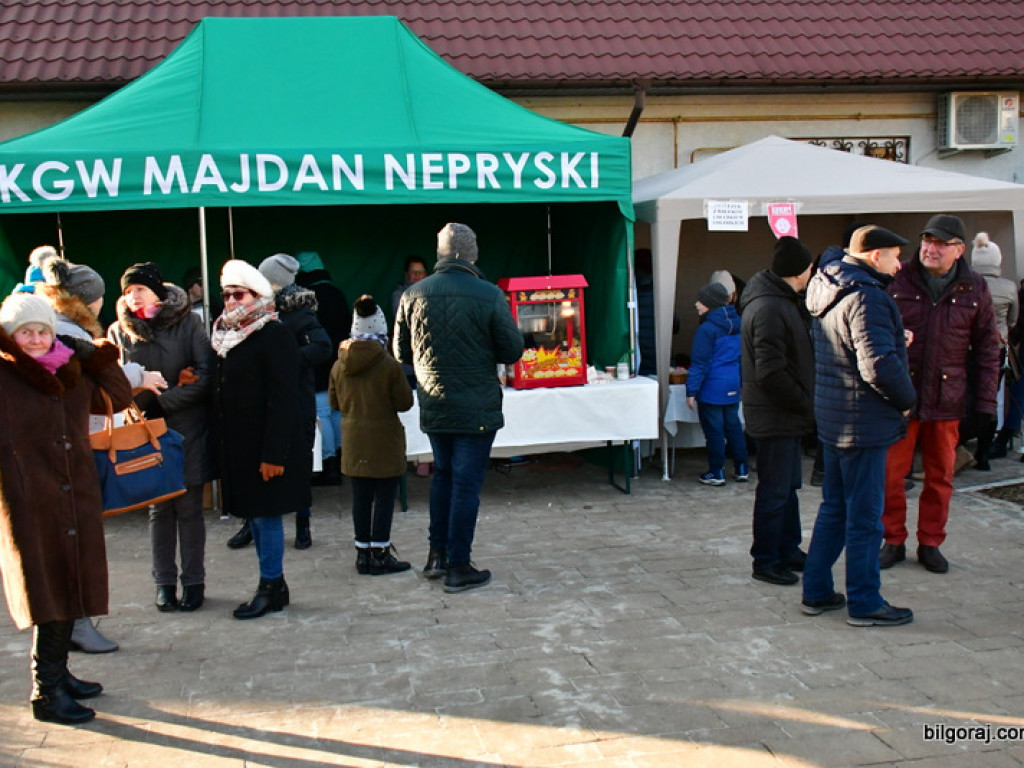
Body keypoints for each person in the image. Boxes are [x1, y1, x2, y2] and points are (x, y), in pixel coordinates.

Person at [0, 293, 132, 723]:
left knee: (72, 583)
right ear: (10, 336)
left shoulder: (69, 369)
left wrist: (90, 354)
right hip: (29, 502)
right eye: (25, 332)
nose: (36, 340)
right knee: (47, 590)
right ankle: (46, 691)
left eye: (43, 331)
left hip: (75, 493)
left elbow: (119, 396)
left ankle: (59, 673)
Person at [37, 256, 164, 653]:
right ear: (90, 299)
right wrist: (139, 375)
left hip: (59, 449)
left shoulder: (54, 328)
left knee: (66, 542)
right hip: (69, 450)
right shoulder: (70, 335)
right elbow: (96, 388)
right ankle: (74, 627)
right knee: (75, 541)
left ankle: (65, 637)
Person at [394, 223, 524, 593]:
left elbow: (401, 352)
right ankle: (458, 566)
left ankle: (437, 556)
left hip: (434, 402)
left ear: (439, 254)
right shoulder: (488, 294)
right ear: (472, 253)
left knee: (444, 477)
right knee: (465, 484)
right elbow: (512, 350)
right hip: (475, 405)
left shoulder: (412, 294)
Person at [803, 225, 917, 627]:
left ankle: (816, 591)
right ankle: (865, 602)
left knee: (834, 508)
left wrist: (893, 341)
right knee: (865, 518)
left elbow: (853, 349)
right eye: (894, 256)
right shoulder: (867, 296)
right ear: (874, 256)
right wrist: (908, 400)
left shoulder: (828, 286)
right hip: (862, 423)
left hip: (835, 417)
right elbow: (877, 366)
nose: (898, 264)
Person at [882, 214, 1000, 574]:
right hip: (902, 397)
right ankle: (892, 539)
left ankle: (931, 542)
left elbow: (987, 349)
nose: (930, 249)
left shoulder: (975, 287)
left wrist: (985, 403)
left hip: (948, 398)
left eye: (940, 243)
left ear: (959, 250)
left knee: (940, 477)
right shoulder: (898, 277)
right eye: (927, 241)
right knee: (890, 476)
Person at [108, 262, 214, 613]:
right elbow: (112, 384)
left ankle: (194, 582)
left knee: (189, 508)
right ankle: (164, 583)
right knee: (158, 509)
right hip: (143, 431)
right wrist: (140, 403)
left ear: (157, 291)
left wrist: (163, 401)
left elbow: (205, 375)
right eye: (127, 291)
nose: (133, 296)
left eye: (139, 289)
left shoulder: (189, 322)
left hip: (186, 430)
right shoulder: (119, 331)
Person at [210, 260, 308, 619]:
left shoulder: (273, 333)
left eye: (239, 294)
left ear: (257, 295)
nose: (231, 301)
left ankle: (271, 585)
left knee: (266, 516)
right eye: (226, 295)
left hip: (264, 444)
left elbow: (284, 399)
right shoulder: (224, 334)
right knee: (254, 515)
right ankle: (274, 585)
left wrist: (274, 453)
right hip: (238, 444)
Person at [739, 236, 816, 586]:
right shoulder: (770, 307)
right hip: (776, 414)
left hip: (784, 413)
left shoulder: (780, 301)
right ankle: (766, 559)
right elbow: (770, 371)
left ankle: (787, 548)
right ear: (800, 271)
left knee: (787, 488)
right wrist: (804, 400)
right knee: (774, 490)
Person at [329, 295, 415, 574]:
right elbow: (405, 402)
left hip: (353, 439)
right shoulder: (389, 364)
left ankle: (362, 554)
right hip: (385, 439)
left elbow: (334, 403)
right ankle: (380, 552)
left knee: (361, 498)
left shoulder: (339, 363)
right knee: (385, 497)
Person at [259, 252, 331, 549]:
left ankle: (303, 523)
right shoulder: (257, 312)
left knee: (300, 464)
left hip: (297, 399)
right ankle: (252, 523)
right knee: (259, 463)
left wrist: (287, 359)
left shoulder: (301, 313)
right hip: (265, 400)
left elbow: (323, 347)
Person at [295, 251, 350, 486]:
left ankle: (329, 465)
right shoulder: (337, 294)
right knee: (336, 411)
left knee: (322, 414)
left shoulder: (306, 299)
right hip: (340, 361)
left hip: (317, 364)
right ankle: (341, 459)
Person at [686, 280, 748, 485]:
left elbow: (699, 363)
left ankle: (716, 472)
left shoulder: (707, 329)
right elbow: (743, 358)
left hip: (712, 387)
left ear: (710, 304)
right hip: (732, 384)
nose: (697, 304)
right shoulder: (739, 324)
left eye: (701, 301)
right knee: (734, 427)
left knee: (714, 431)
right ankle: (741, 468)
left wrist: (691, 391)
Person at [967, 232, 1018, 468]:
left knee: (964, 397)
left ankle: (960, 447)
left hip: (967, 349)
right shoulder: (1009, 287)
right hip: (997, 348)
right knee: (990, 399)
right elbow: (1012, 320)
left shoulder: (966, 285)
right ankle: (984, 454)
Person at [390, 255, 432, 476]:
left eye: (421, 272)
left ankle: (432, 456)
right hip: (409, 366)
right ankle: (419, 458)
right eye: (413, 272)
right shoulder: (399, 296)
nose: (417, 276)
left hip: (432, 364)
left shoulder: (434, 292)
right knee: (414, 413)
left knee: (433, 410)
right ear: (407, 274)